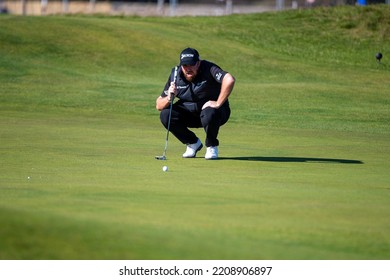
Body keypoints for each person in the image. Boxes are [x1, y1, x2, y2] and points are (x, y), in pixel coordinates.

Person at [156, 47, 235, 159]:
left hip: (214, 113)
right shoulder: (175, 75)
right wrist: (169, 97)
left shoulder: (209, 68)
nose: (188, 69)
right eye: (185, 66)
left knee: (210, 113)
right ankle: (192, 143)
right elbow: (158, 105)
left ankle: (211, 145)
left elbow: (229, 80)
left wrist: (217, 103)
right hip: (190, 113)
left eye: (191, 65)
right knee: (166, 114)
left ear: (198, 63)